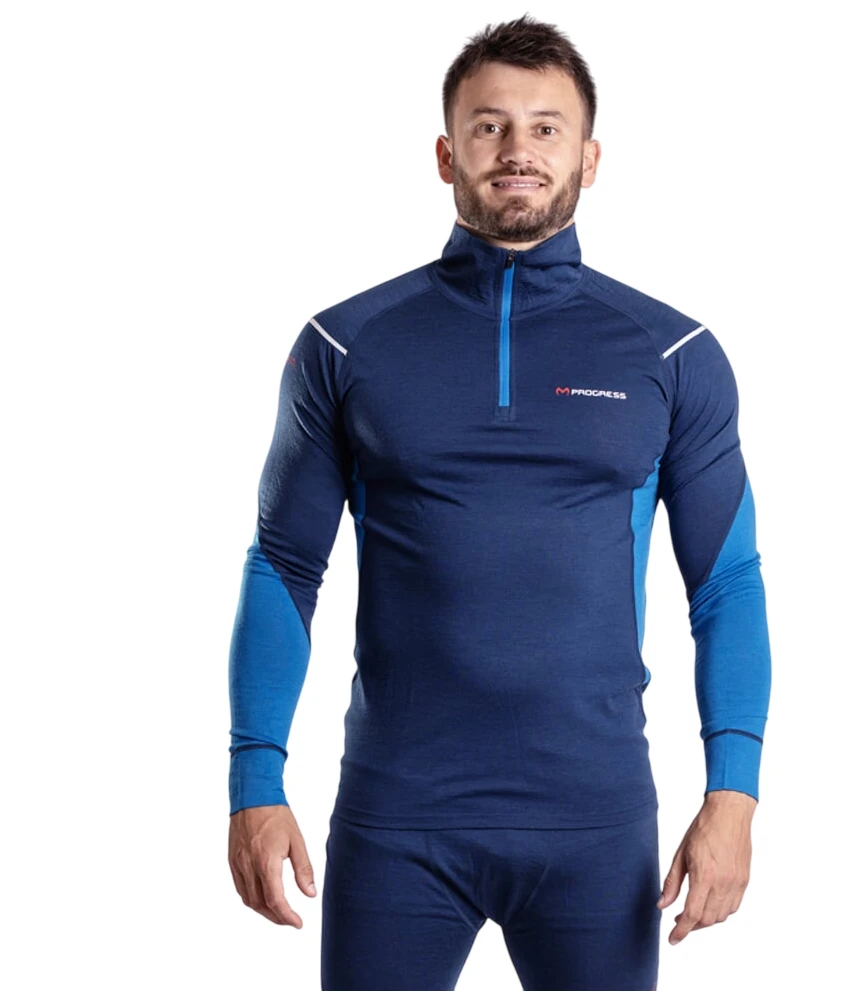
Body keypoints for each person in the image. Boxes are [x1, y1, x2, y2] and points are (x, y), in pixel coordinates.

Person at [226, 13, 771, 990]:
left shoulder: (671, 353)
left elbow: (725, 582)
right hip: (397, 819)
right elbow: (283, 564)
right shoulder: (345, 345)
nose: (517, 149)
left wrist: (732, 792)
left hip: (595, 822)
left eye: (545, 127)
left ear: (589, 159)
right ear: (446, 154)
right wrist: (252, 779)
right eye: (489, 126)